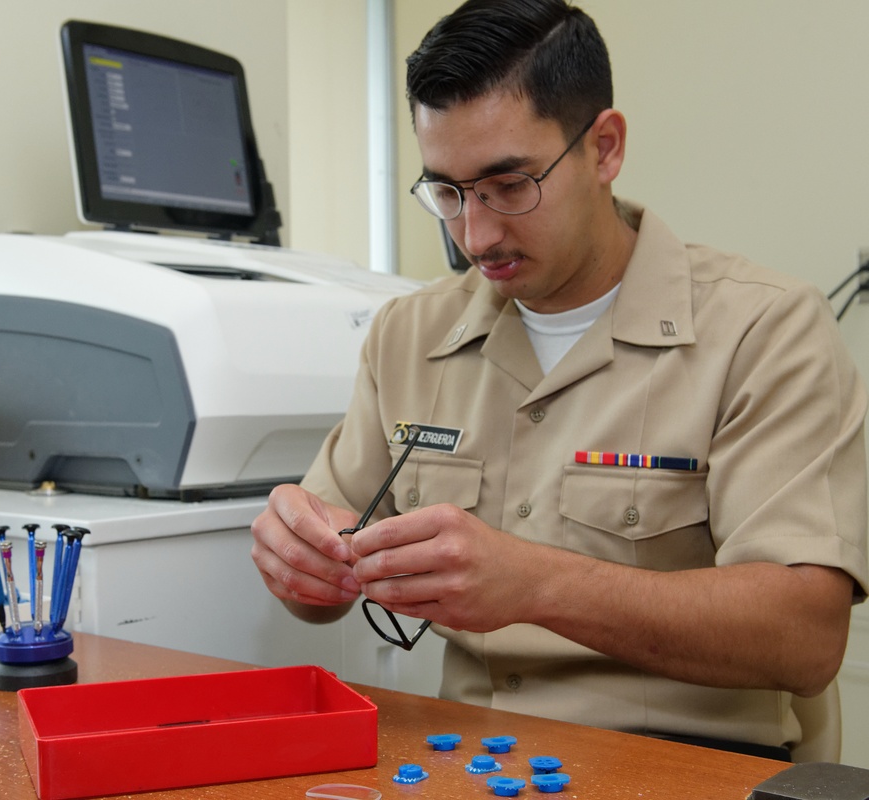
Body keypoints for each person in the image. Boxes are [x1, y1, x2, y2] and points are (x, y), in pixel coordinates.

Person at [251, 0, 869, 760]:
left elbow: (803, 637)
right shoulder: (406, 336)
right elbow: (321, 565)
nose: (476, 235)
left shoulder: (766, 330)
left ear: (604, 148)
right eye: (446, 191)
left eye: (509, 185)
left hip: (691, 767)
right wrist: (298, 558)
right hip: (466, 761)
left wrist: (538, 583)